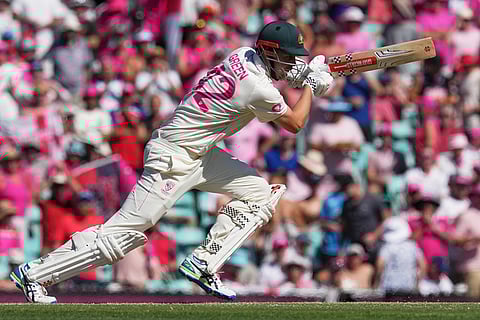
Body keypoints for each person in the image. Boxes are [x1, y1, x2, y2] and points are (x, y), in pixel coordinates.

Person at [9, 20, 334, 303]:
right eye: (288, 57)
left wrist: (299, 73)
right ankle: (34, 273)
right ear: (269, 52)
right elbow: (295, 124)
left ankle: (204, 262)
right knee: (123, 235)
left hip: (199, 152)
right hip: (174, 156)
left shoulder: (241, 55)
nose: (292, 63)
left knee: (261, 193)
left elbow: (273, 79)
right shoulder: (257, 89)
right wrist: (308, 84)